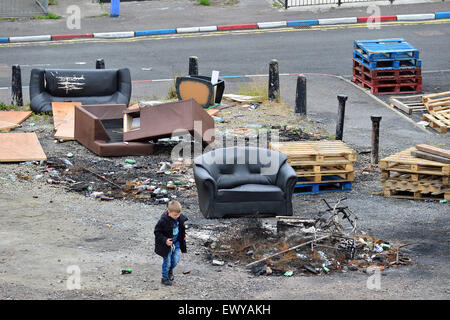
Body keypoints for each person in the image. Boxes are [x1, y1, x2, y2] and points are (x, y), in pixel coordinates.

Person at [154, 200, 188, 286]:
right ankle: (164, 278)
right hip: (167, 245)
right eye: (175, 215)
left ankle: (170, 271)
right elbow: (157, 232)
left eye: (178, 214)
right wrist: (165, 240)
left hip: (176, 243)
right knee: (167, 261)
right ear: (169, 212)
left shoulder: (179, 218)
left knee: (176, 260)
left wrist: (184, 235)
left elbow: (181, 229)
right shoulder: (163, 221)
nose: (177, 216)